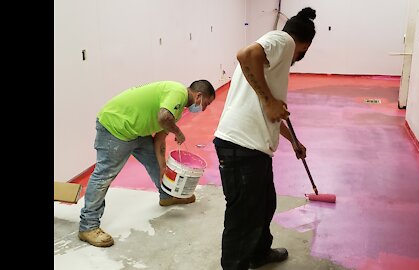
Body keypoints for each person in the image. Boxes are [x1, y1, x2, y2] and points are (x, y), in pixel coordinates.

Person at [213, 7, 316, 270]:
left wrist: (293, 140)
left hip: (253, 147)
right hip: (240, 145)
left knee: (265, 204)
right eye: (303, 55)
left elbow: (269, 113)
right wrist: (269, 100)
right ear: (304, 45)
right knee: (243, 215)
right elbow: (245, 54)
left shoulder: (273, 62)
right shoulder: (284, 41)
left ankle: (258, 253)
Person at [78, 79, 216, 247]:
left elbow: (159, 139)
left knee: (155, 163)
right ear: (199, 96)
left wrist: (162, 167)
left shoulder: (177, 109)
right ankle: (88, 226)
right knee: (103, 176)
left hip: (137, 132)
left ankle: (167, 196)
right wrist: (178, 132)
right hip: (116, 127)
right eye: (205, 104)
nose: (204, 108)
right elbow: (164, 117)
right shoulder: (178, 92)